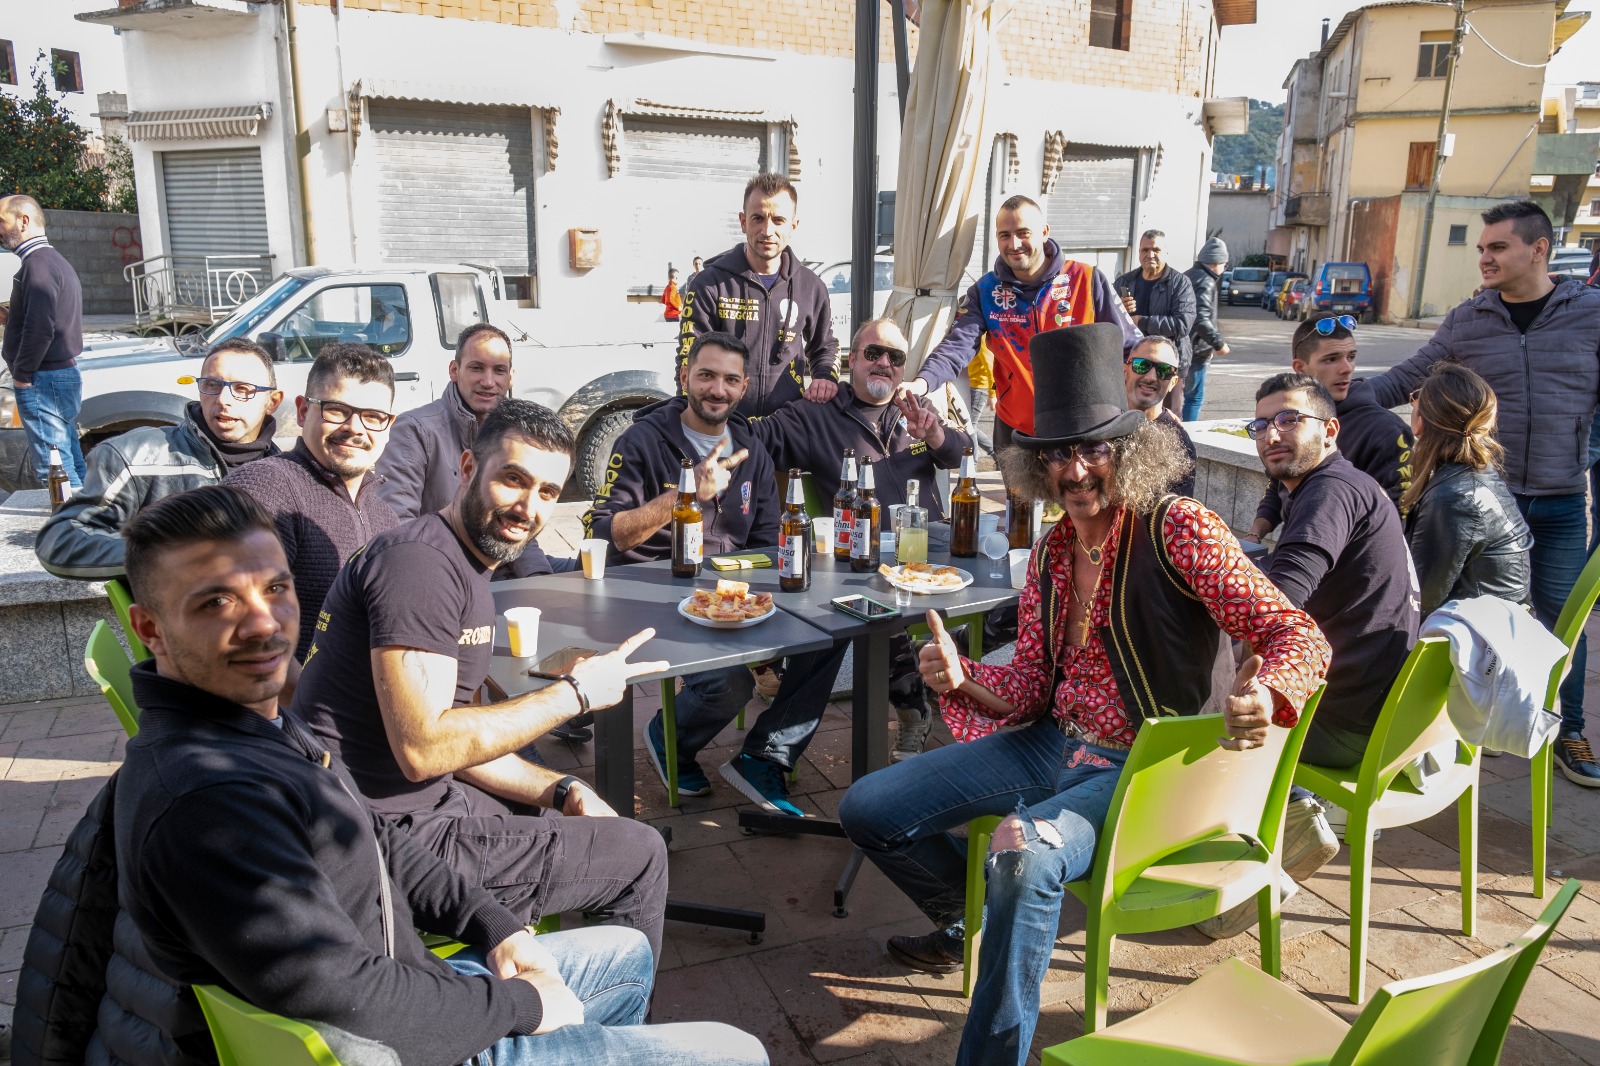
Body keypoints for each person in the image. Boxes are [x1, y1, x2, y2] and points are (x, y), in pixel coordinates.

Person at [108, 484, 767, 1064]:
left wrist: (495, 927)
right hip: (411, 1042)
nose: (263, 624)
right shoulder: (208, 801)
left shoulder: (255, 720)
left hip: (417, 983)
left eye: (275, 589)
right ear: (151, 628)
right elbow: (348, 995)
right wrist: (520, 1008)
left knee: (625, 956)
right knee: (740, 1051)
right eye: (216, 602)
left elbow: (372, 836)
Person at [837, 323, 1330, 1066]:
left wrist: (1268, 693)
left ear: (1129, 450)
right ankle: (969, 917)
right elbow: (1034, 682)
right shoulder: (1054, 550)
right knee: (866, 808)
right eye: (1057, 452)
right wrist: (963, 675)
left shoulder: (1179, 528)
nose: (1074, 470)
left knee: (1022, 855)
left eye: (1093, 447)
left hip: (1145, 762)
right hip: (1052, 743)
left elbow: (1297, 635)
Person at [294, 398, 672, 959]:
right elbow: (425, 747)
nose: (529, 506)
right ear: (468, 468)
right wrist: (576, 693)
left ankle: (547, 972)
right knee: (640, 852)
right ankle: (598, 1026)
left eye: (547, 492)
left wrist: (564, 789)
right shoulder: (419, 567)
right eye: (513, 480)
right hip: (375, 837)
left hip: (414, 803)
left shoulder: (464, 560)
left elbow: (459, 737)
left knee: (568, 808)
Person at [1356, 200, 1600, 787]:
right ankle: (1493, 713)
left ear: (1538, 249)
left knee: (1563, 620)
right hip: (1489, 505)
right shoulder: (1470, 319)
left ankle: (1567, 729)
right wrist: (1330, 401)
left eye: (1498, 248)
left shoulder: (1590, 314)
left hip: (1562, 499)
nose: (1484, 258)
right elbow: (1405, 378)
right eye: (1482, 248)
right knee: (1485, 619)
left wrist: (1585, 454)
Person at [585, 332, 846, 815]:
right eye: (706, 375)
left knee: (832, 632)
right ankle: (670, 737)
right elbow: (608, 533)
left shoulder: (753, 448)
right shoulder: (641, 439)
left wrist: (767, 606)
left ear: (744, 386)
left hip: (727, 595)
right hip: (649, 589)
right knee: (728, 683)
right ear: (685, 377)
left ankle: (767, 752)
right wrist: (686, 496)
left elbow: (769, 542)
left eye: (729, 379)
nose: (716, 390)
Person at [1215, 373, 1418, 938]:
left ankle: (1253, 857)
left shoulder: (1328, 492)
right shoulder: (1338, 483)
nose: (1270, 434)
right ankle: (1284, 811)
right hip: (1377, 699)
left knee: (1185, 703)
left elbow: (1278, 602)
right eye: (1260, 424)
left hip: (1343, 719)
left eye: (1288, 419)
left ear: (1329, 429)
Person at [750, 317, 972, 759]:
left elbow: (963, 455)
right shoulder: (817, 414)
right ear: (851, 359)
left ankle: (950, 660)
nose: (884, 364)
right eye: (873, 353)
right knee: (878, 618)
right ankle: (913, 709)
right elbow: (757, 436)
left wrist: (935, 433)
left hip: (934, 549)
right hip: (868, 559)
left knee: (1020, 599)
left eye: (895, 357)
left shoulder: (915, 410)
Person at [906, 195, 1141, 463]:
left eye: (1023, 233)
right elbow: (957, 345)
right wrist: (921, 383)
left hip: (1081, 430)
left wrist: (1141, 402)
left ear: (1044, 232)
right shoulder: (985, 291)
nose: (1014, 244)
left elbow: (1130, 347)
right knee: (1017, 506)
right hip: (1015, 430)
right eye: (1004, 235)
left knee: (1075, 505)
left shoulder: (1087, 279)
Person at [35, 339, 283, 580]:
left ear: (272, 402)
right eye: (211, 385)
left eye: (242, 389)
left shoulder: (286, 471)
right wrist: (166, 556)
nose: (222, 400)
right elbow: (61, 539)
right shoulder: (133, 457)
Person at [222, 343, 400, 660]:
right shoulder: (265, 488)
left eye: (373, 417)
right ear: (303, 411)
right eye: (337, 410)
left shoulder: (384, 518)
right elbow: (233, 629)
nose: (355, 428)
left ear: (389, 425)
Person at [374, 322, 571, 578]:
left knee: (597, 573)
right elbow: (396, 528)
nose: (488, 382)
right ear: (454, 371)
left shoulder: (513, 431)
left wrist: (537, 581)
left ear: (510, 377)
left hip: (503, 562)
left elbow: (520, 518)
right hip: (443, 573)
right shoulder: (414, 430)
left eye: (498, 370)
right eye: (477, 368)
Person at [676, 173, 839, 417]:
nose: (767, 230)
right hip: (723, 427)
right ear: (743, 222)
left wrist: (825, 377)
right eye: (758, 218)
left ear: (793, 226)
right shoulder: (709, 283)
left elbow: (825, 347)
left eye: (779, 220)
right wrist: (691, 423)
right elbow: (688, 358)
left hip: (787, 428)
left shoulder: (811, 286)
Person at [1249, 312, 1414, 540]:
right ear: (1300, 368)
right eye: (1331, 359)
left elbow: (1395, 522)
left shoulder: (1387, 431)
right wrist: (1254, 535)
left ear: (1330, 430)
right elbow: (1279, 482)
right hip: (1294, 547)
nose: (1347, 368)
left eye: (1351, 356)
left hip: (1345, 566)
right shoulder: (1291, 418)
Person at [1402, 364, 1532, 617]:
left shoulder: (1456, 497)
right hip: (1494, 623)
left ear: (1420, 423)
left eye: (1415, 399)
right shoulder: (1473, 474)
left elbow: (1421, 599)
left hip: (1477, 641)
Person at [0, 194, 87, 489]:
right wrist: (9, 317)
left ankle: (72, 531)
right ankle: (86, 525)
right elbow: (44, 317)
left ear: (23, 221)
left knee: (55, 471)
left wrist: (23, 375)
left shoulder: (38, 266)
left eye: (1, 221)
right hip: (54, 376)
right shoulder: (49, 261)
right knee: (70, 461)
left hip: (43, 379)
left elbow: (41, 328)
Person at [1114, 229, 1197, 417]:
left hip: (1166, 365)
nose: (1150, 255)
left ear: (1165, 253)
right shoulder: (1124, 281)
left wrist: (1140, 321)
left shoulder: (1180, 283)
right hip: (1133, 364)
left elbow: (1182, 324)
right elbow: (1107, 319)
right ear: (1139, 253)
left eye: (1156, 250)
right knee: (1127, 413)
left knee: (1167, 417)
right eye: (1145, 250)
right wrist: (1120, 310)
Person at [1121, 336, 1195, 496]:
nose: (1151, 377)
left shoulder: (1179, 443)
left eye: (1164, 371)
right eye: (1141, 365)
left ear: (1173, 383)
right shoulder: (1102, 423)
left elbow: (1174, 512)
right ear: (1125, 370)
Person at [1183, 237, 1230, 421]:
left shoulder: (1188, 275)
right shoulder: (1206, 281)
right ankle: (1189, 437)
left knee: (1176, 397)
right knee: (1193, 398)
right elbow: (1201, 318)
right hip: (1196, 349)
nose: (1224, 270)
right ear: (1216, 262)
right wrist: (1219, 344)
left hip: (1182, 346)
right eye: (1224, 265)